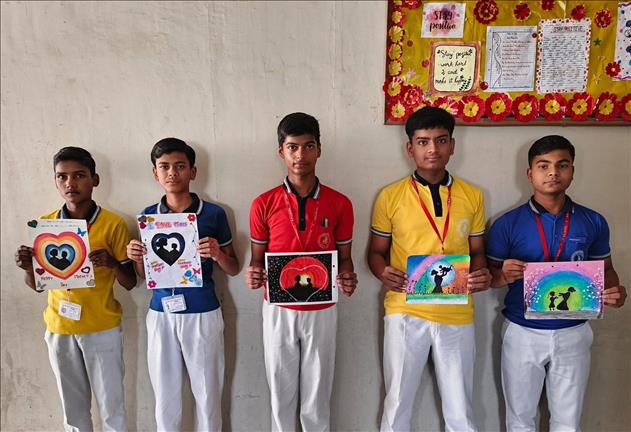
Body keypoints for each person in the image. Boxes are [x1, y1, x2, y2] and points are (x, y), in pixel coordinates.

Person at [486, 135, 627, 431]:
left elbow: (606, 270)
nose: (553, 172)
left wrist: (614, 290)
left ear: (572, 171)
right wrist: (503, 275)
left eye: (562, 165)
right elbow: (489, 277)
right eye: (544, 165)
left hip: (573, 330)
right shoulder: (506, 224)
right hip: (522, 331)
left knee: (568, 421)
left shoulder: (593, 221)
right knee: (520, 419)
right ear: (530, 174)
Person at [367, 106, 491, 432]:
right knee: (397, 403)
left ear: (453, 145)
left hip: (457, 313)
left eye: (441, 140)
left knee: (460, 408)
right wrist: (382, 272)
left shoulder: (473, 196)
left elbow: (478, 252)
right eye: (423, 142)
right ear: (410, 148)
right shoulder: (390, 196)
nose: (432, 149)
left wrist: (480, 273)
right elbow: (376, 253)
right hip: (405, 311)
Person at [245, 112, 358, 431]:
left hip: (322, 307)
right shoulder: (263, 203)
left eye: (308, 146)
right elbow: (257, 260)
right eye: (292, 147)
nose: (300, 155)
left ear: (319, 150)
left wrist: (347, 277)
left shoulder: (340, 203)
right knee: (280, 391)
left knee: (318, 393)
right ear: (281, 151)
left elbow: (345, 259)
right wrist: (254, 273)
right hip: (278, 307)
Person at [14, 147, 136, 431]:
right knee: (73, 410)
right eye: (62, 176)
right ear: (56, 181)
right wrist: (28, 268)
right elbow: (37, 286)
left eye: (79, 175)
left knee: (112, 406)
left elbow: (131, 282)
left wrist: (112, 264)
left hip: (102, 327)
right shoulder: (45, 225)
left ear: (95, 179)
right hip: (60, 327)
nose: (70, 183)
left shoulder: (113, 224)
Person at [126, 138, 239, 432]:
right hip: (161, 314)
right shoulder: (148, 217)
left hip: (202, 312)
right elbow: (143, 275)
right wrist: (137, 257)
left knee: (208, 395)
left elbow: (234, 267)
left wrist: (217, 253)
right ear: (155, 173)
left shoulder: (214, 214)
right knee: (165, 397)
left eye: (180, 166)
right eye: (164, 167)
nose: (172, 173)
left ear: (193, 171)